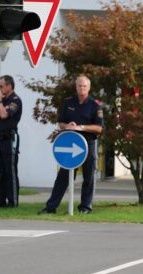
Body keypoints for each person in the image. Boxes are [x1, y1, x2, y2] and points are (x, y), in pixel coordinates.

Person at [39, 75, 104, 214]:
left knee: (89, 177)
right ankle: (51, 207)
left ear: (89, 88)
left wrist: (81, 127)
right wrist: (68, 125)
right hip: (70, 144)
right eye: (79, 86)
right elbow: (61, 122)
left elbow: (99, 128)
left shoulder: (95, 105)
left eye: (84, 86)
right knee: (63, 177)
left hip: (88, 143)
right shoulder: (68, 102)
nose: (82, 88)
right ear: (76, 87)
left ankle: (85, 207)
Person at [0, 75, 22, 208]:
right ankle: (0, 200)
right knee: (1, 171)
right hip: (0, 139)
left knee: (11, 171)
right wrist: (1, 110)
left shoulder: (15, 100)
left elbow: (4, 115)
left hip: (10, 139)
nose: (0, 88)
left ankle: (13, 201)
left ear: (9, 86)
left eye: (1, 86)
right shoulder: (4, 101)